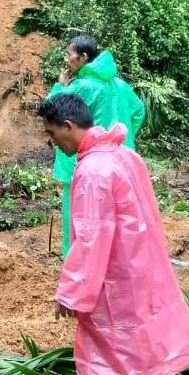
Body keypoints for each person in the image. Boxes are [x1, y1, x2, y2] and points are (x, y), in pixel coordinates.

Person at [39, 93, 189, 375]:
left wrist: (71, 292)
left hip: (116, 277)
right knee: (143, 346)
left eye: (51, 133)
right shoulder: (124, 154)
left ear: (68, 126)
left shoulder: (92, 171)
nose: (52, 142)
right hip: (143, 267)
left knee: (114, 355)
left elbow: (91, 239)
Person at [47, 35, 145, 257]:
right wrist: (124, 141)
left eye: (69, 54)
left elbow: (52, 112)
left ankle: (75, 267)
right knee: (115, 218)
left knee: (78, 223)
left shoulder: (82, 87)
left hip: (82, 167)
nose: (66, 58)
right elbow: (138, 111)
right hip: (120, 165)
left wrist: (59, 87)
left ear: (83, 57)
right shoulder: (120, 85)